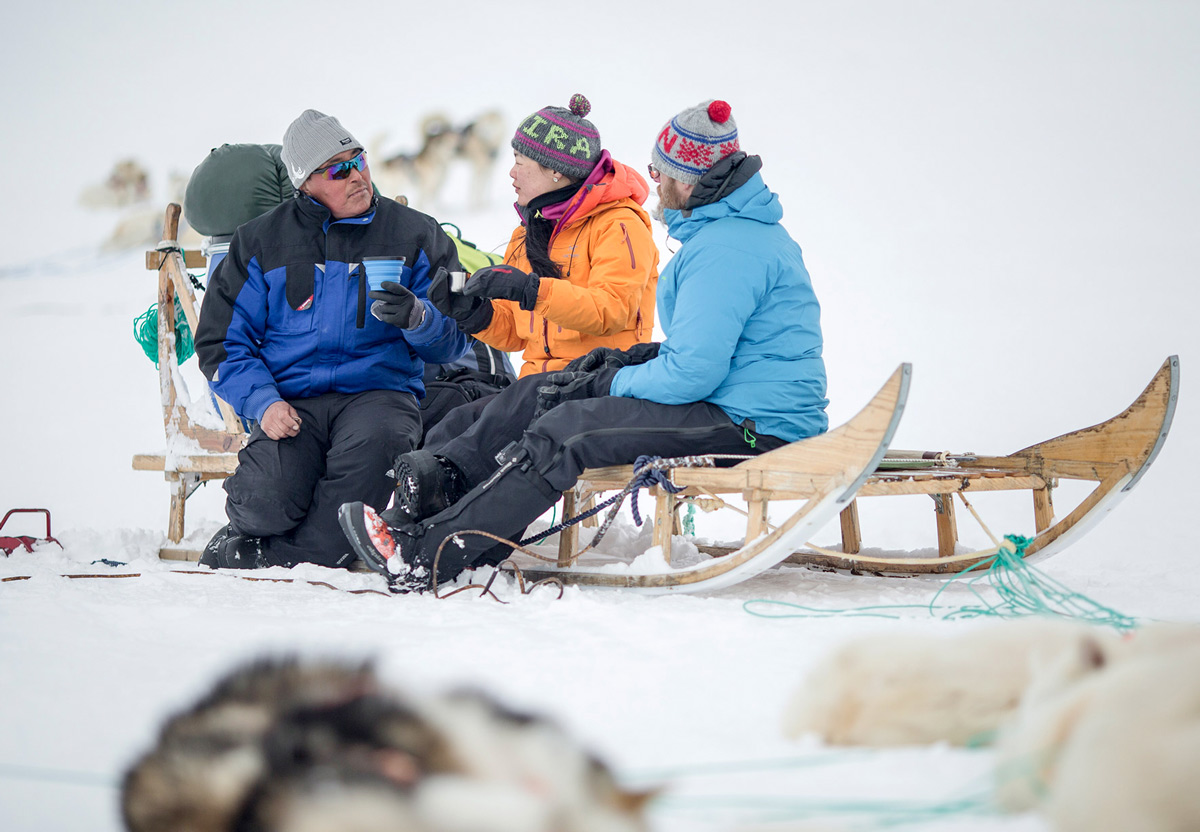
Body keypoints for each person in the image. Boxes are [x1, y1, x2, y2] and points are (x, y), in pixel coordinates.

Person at [338, 100, 829, 592]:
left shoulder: (720, 249)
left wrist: (610, 373)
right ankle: (418, 521)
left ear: (688, 179)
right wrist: (470, 310)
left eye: (661, 172)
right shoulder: (722, 238)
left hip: (754, 424)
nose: (653, 180)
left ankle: (429, 555)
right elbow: (702, 355)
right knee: (521, 405)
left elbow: (686, 369)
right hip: (737, 405)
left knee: (566, 432)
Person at [193, 109, 470, 570]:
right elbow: (221, 345)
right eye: (337, 169)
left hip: (377, 396)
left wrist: (421, 319)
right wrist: (263, 402)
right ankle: (271, 535)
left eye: (358, 159)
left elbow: (456, 339)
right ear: (304, 183)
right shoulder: (260, 242)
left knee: (363, 485)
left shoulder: (416, 234)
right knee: (263, 502)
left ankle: (275, 556)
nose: (357, 175)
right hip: (290, 402)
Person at [417, 93, 658, 455]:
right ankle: (411, 510)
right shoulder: (528, 232)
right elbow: (515, 334)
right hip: (537, 389)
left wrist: (530, 289)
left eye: (520, 162)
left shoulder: (619, 225)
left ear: (555, 170)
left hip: (599, 386)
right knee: (448, 430)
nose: (511, 173)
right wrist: (470, 311)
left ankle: (425, 511)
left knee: (471, 447)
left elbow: (612, 310)